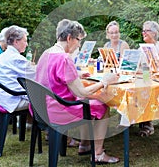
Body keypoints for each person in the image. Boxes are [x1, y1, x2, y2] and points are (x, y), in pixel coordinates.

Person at [36, 19, 120, 164]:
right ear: (69, 38)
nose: (79, 44)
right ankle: (98, 153)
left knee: (87, 103)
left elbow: (52, 75)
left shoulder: (47, 53)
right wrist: (104, 81)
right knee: (101, 104)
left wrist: (77, 75)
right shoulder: (64, 58)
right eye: (79, 40)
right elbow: (82, 93)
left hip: (42, 107)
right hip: (59, 110)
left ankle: (85, 144)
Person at [0, 25, 36, 112]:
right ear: (16, 42)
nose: (26, 44)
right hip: (11, 100)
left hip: (1, 97)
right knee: (45, 98)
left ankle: (26, 124)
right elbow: (36, 76)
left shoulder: (1, 57)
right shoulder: (16, 59)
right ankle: (34, 125)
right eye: (25, 41)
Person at [138, 20, 159, 137]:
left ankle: (148, 122)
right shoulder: (142, 48)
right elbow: (138, 67)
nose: (143, 33)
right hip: (146, 78)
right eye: (143, 30)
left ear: (155, 33)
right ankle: (138, 119)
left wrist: (145, 71)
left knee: (146, 90)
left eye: (146, 30)